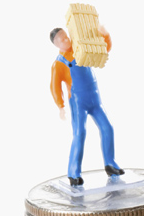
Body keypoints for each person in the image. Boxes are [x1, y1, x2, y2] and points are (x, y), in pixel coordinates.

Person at [49, 26, 124, 186]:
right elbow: (55, 86)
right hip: (78, 102)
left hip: (95, 99)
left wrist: (105, 35)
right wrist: (60, 105)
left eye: (66, 36)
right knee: (80, 133)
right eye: (61, 39)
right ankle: (73, 172)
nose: (66, 40)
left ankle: (110, 164)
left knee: (107, 128)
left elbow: (103, 50)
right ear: (56, 44)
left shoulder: (81, 48)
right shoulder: (59, 64)